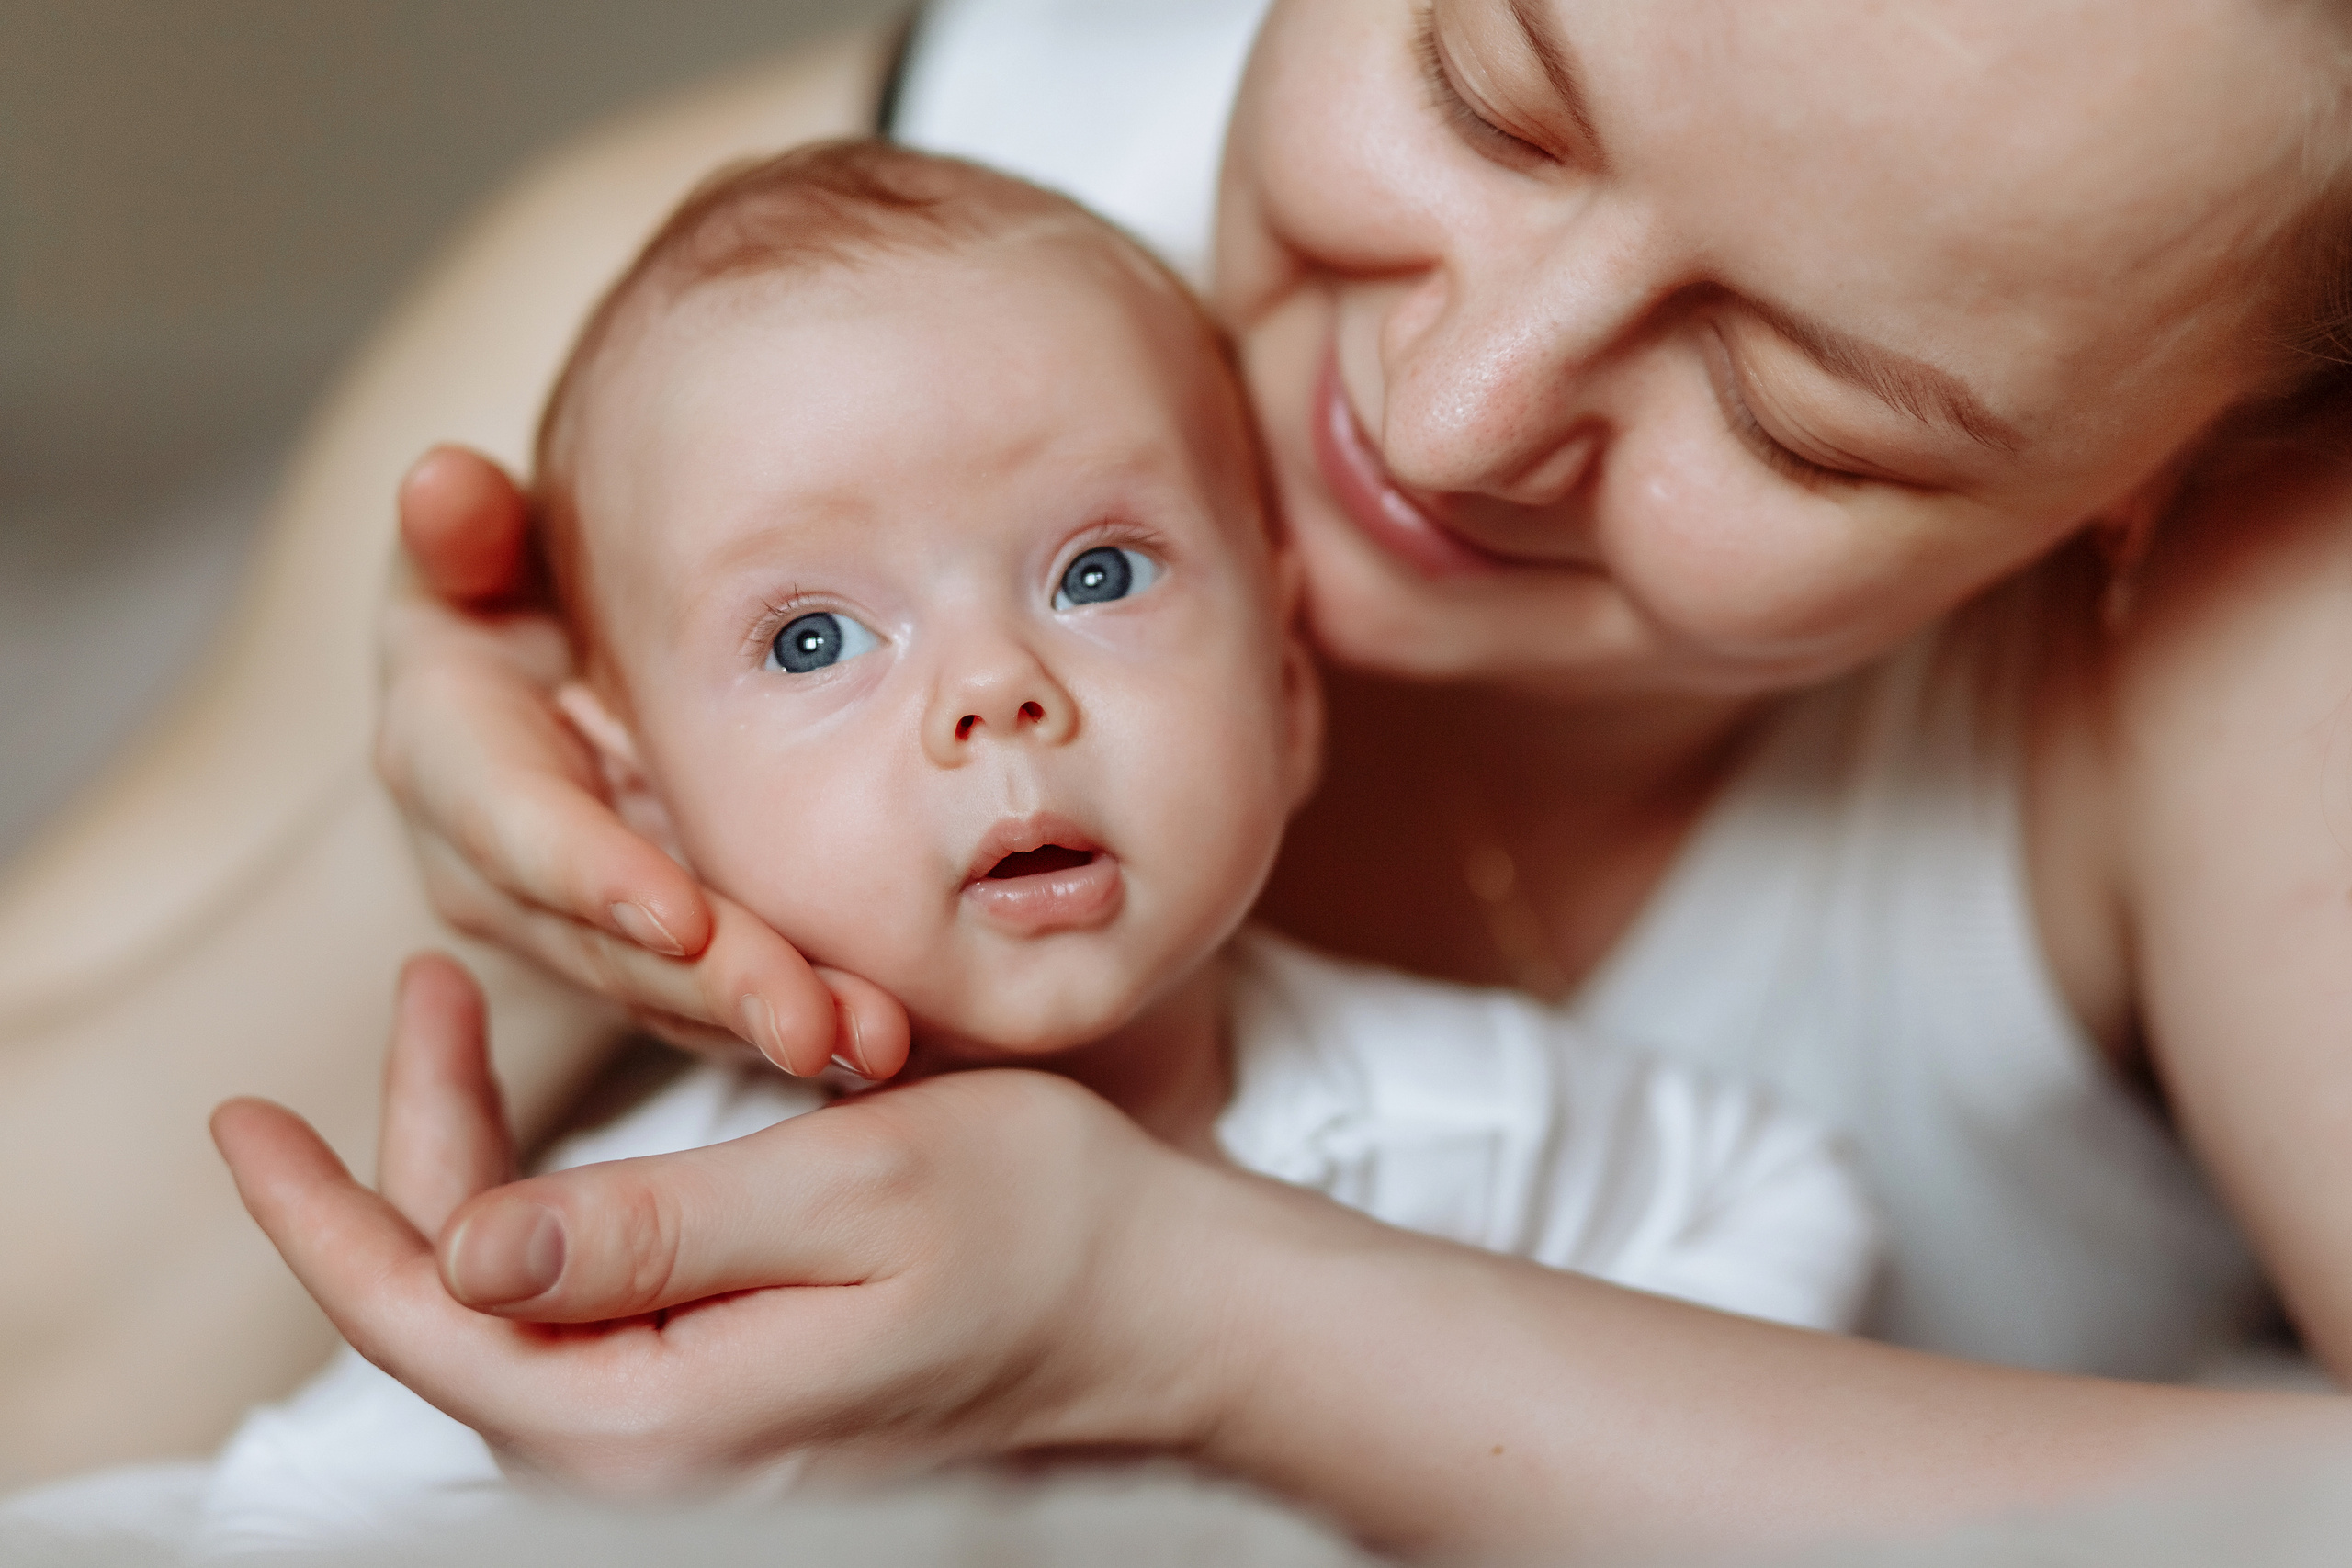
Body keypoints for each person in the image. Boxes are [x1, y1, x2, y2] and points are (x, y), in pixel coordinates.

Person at [5, 0, 2352, 1557]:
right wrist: (506, 888)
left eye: (1796, 407)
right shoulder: (777, 273)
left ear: (2145, 480)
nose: (1442, 413)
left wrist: (1189, 1308)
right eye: (1484, 88)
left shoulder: (2255, 609)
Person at [195, 139, 1876, 1553]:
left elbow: (1783, 1208)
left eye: (1098, 574)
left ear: (1288, 691)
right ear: (637, 806)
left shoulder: (1455, 1124)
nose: (996, 693)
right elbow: (256, 1513)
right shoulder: (657, 1247)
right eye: (811, 641)